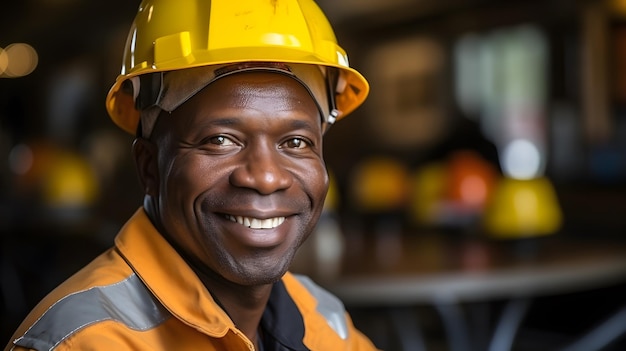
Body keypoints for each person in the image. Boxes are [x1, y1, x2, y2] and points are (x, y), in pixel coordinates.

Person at [5, 0, 377, 350]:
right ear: (149, 167)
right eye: (220, 140)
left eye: (296, 142)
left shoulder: (323, 320)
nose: (265, 178)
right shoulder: (91, 341)